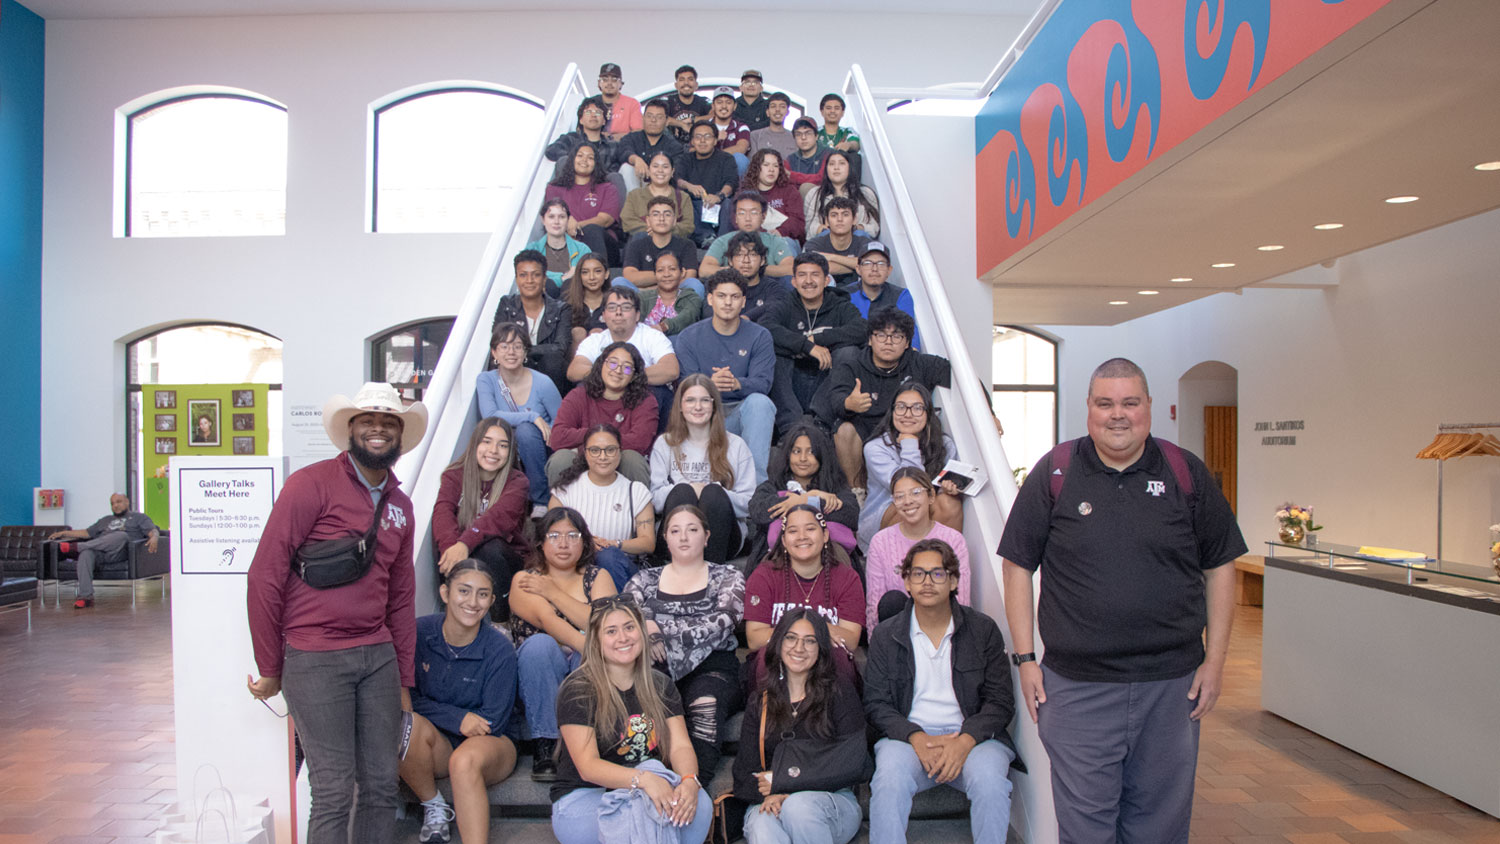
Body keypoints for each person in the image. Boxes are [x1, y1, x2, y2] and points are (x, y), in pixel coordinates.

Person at [998, 357, 1246, 844]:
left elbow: (1220, 566)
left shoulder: (1184, 472)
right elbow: (1017, 566)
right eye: (1105, 403)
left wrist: (1215, 660)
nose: (1118, 414)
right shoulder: (1055, 473)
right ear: (1087, 408)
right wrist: (1026, 659)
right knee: (1086, 826)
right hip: (1076, 689)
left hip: (1172, 688)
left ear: (1149, 407)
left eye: (1130, 403)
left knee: (1159, 824)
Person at [247, 382, 427, 844]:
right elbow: (264, 576)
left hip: (379, 657)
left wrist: (404, 678)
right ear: (350, 428)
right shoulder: (310, 485)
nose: (378, 429)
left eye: (389, 422)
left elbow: (401, 598)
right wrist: (270, 667)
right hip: (314, 657)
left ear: (400, 435)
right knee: (332, 789)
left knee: (383, 785)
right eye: (368, 419)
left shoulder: (401, 507)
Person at [864, 538, 1019, 844]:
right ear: (906, 581)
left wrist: (965, 740)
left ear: (953, 580)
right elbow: (875, 703)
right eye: (918, 574)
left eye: (937, 574)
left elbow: (1000, 702)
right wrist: (916, 736)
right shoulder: (886, 634)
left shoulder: (983, 629)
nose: (927, 582)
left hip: (973, 740)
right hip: (907, 739)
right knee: (888, 780)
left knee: (991, 784)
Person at [549, 595, 711, 844]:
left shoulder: (660, 684)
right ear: (596, 640)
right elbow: (587, 766)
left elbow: (680, 745)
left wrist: (690, 781)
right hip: (585, 797)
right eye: (611, 631)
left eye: (629, 627)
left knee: (700, 805)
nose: (623, 638)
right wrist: (643, 781)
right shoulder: (579, 689)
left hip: (646, 787)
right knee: (643, 810)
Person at [623, 505, 746, 776]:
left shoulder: (728, 576)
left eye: (692, 529)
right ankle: (646, 783)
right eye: (675, 530)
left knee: (706, 702)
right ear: (665, 537)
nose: (683, 537)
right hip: (654, 668)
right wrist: (645, 631)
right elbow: (628, 621)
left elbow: (724, 620)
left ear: (706, 536)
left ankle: (695, 786)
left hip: (715, 668)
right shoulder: (644, 579)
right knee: (644, 700)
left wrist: (657, 631)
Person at [401, 561, 518, 844]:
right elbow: (408, 698)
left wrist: (459, 721)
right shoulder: (419, 632)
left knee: (464, 761)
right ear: (445, 592)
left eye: (482, 594)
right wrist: (456, 718)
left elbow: (493, 720)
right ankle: (434, 805)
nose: (472, 602)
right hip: (437, 742)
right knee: (403, 724)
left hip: (493, 742)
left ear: (491, 601)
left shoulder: (500, 648)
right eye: (463, 591)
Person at [733, 610, 868, 844]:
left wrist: (788, 783)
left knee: (798, 806)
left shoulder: (839, 691)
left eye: (810, 641)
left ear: (821, 648)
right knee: (763, 823)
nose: (799, 648)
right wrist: (776, 794)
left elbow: (856, 761)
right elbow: (744, 776)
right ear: (779, 642)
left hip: (833, 800)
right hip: (770, 801)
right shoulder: (760, 701)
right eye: (791, 638)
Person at [508, 507, 617, 780]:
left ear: (585, 542)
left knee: (588, 655)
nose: (564, 543)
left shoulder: (598, 577)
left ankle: (584, 743)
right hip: (540, 679)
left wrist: (552, 592)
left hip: (588, 669)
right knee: (540, 646)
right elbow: (547, 620)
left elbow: (603, 622)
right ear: (541, 543)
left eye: (572, 535)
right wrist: (593, 646)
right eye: (554, 535)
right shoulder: (524, 579)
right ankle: (545, 743)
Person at [820, 307, 950, 486]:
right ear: (870, 340)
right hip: (866, 426)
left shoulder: (920, 363)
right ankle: (856, 491)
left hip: (905, 425)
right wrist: (849, 403)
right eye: (881, 335)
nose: (888, 342)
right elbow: (836, 399)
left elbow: (962, 377)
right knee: (844, 429)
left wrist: (989, 413)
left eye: (896, 337)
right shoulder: (851, 366)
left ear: (906, 343)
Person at [671, 270, 776, 483]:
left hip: (741, 410)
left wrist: (737, 383)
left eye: (734, 297)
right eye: (721, 296)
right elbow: (684, 385)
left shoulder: (759, 335)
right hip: (704, 412)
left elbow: (763, 383)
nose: (728, 302)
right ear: (710, 299)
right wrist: (708, 386)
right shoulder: (689, 337)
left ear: (744, 301)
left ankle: (756, 492)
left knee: (760, 403)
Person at [742, 506, 864, 689]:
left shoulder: (847, 578)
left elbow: (851, 640)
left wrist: (788, 635)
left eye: (810, 529)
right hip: (776, 669)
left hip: (827, 667)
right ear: (783, 540)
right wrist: (818, 630)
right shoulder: (764, 576)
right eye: (792, 531)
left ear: (825, 536)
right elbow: (754, 638)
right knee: (765, 657)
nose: (802, 536)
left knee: (839, 657)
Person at [649, 376, 756, 564]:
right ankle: (678, 567)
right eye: (690, 400)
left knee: (713, 493)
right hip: (673, 535)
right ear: (680, 406)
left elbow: (749, 504)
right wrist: (690, 487)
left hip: (725, 535)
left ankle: (712, 572)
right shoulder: (665, 443)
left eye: (705, 400)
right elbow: (656, 501)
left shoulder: (736, 445)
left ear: (714, 405)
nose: (697, 407)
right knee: (683, 491)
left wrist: (711, 490)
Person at [433, 417, 529, 620]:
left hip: (504, 560)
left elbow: (498, 519)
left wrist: (464, 545)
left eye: (503, 445)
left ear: (510, 452)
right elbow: (443, 512)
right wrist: (452, 548)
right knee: (446, 553)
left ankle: (501, 620)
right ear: (475, 443)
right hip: (463, 555)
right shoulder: (454, 476)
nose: (493, 450)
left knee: (489, 549)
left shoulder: (517, 482)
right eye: (486, 441)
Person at [765, 254, 867, 432]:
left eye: (815, 275)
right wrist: (807, 346)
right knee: (772, 352)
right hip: (791, 381)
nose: (809, 281)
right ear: (794, 281)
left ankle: (822, 423)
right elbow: (766, 328)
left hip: (826, 382)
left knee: (849, 352)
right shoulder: (784, 304)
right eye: (802, 275)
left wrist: (818, 339)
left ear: (827, 280)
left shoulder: (840, 305)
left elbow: (861, 330)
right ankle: (791, 428)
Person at [549, 425, 654, 590]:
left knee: (608, 556)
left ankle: (617, 610)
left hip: (620, 567)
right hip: (574, 565)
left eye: (610, 450)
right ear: (585, 452)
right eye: (595, 450)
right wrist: (584, 543)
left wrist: (614, 544)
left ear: (620, 451)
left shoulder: (636, 490)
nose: (603, 457)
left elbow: (648, 543)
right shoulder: (564, 490)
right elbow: (550, 537)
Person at [864, 467, 970, 630]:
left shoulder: (953, 540)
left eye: (915, 492)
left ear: (931, 496)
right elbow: (875, 605)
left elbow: (960, 600)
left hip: (941, 628)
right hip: (898, 636)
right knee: (892, 601)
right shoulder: (881, 541)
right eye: (900, 496)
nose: (908, 501)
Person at [861, 383, 962, 548]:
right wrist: (909, 443)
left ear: (928, 413)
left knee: (950, 502)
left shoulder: (944, 444)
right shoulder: (876, 447)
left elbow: (943, 484)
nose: (908, 414)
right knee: (909, 499)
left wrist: (949, 488)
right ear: (892, 411)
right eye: (901, 407)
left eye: (917, 408)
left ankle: (947, 563)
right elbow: (906, 486)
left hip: (928, 510)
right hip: (887, 513)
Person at [746, 421, 859, 565]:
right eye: (796, 451)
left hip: (830, 556)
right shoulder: (772, 486)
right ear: (788, 455)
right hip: (779, 556)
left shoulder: (834, 487)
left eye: (811, 452)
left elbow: (851, 514)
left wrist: (806, 501)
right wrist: (810, 502)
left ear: (821, 455)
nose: (803, 458)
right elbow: (758, 511)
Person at [477, 322, 562, 510]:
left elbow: (561, 420)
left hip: (540, 447)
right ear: (494, 353)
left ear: (525, 352)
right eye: (504, 346)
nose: (511, 352)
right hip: (505, 445)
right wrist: (532, 417)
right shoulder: (486, 380)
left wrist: (542, 430)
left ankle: (540, 501)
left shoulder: (543, 382)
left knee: (525, 431)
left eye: (517, 346)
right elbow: (490, 415)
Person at [548, 342, 657, 486]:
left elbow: (640, 442)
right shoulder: (578, 395)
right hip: (584, 458)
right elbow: (557, 438)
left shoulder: (645, 400)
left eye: (627, 368)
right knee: (561, 458)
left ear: (634, 375)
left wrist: (602, 443)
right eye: (612, 363)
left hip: (619, 460)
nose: (618, 371)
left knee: (632, 458)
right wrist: (595, 438)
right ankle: (562, 508)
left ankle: (636, 508)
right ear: (601, 365)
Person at [49, 493, 159, 609]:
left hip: (120, 552)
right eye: (112, 503)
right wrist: (63, 533)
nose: (115, 505)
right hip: (101, 551)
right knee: (86, 553)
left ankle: (77, 547)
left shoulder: (139, 517)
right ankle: (85, 597)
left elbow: (153, 531)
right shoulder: (105, 520)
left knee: (121, 535)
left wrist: (155, 537)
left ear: (127, 502)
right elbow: (86, 533)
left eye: (119, 502)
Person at [492, 249, 574, 394]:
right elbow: (499, 340)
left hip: (549, 372)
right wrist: (523, 354)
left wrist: (522, 351)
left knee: (553, 360)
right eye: (523, 275)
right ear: (516, 279)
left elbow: (560, 347)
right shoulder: (506, 304)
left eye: (535, 275)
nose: (529, 281)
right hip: (513, 368)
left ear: (544, 278)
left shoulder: (561, 309)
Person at [566, 286, 679, 388]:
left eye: (625, 307)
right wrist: (611, 375)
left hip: (642, 394)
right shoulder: (595, 340)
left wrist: (626, 375)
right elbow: (574, 371)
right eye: (612, 307)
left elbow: (671, 369)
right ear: (604, 316)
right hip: (605, 396)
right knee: (583, 387)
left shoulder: (653, 337)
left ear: (637, 315)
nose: (618, 312)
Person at [544, 141, 622, 260]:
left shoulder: (607, 188)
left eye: (590, 158)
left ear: (596, 164)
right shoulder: (555, 188)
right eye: (580, 156)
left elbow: (605, 220)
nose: (584, 160)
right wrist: (567, 223)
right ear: (572, 160)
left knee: (592, 229)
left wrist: (576, 226)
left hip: (604, 245)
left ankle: (596, 272)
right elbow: (552, 216)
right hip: (566, 240)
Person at [842, 241, 921, 349]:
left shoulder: (900, 295)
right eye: (868, 263)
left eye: (881, 264)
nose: (874, 269)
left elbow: (911, 333)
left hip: (888, 355)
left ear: (889, 270)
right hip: (853, 356)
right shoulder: (844, 294)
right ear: (858, 269)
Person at [698, 191, 795, 278]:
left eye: (753, 213)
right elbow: (704, 270)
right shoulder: (723, 241)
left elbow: (790, 268)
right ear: (736, 217)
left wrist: (756, 269)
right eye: (742, 213)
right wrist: (735, 271)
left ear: (763, 216)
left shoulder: (775, 241)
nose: (747, 218)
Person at [674, 122, 738, 247]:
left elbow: (731, 182)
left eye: (707, 137)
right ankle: (706, 237)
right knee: (683, 200)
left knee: (728, 203)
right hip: (695, 205)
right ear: (692, 141)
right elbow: (677, 179)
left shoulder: (726, 159)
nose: (702, 141)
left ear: (715, 140)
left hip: (717, 203)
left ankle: (723, 242)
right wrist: (689, 186)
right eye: (698, 137)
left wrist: (718, 196)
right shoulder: (685, 159)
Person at [620, 195, 700, 291]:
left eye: (667, 214)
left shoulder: (687, 245)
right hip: (642, 297)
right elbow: (630, 276)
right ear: (648, 221)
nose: (661, 218)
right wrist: (670, 275)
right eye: (656, 214)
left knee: (694, 284)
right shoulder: (636, 245)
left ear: (674, 221)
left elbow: (689, 276)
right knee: (619, 282)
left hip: (675, 296)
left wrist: (648, 287)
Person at [804, 152, 879, 239]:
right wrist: (824, 229)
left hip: (858, 241)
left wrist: (858, 228)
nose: (836, 168)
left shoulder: (866, 193)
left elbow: (875, 228)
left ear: (850, 167)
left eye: (841, 163)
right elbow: (809, 229)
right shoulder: (814, 194)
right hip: (825, 242)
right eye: (831, 164)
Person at [545, 96, 618, 185]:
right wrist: (578, 163)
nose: (593, 115)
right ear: (581, 120)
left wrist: (592, 170)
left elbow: (613, 170)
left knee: (615, 177)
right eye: (588, 112)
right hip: (572, 187)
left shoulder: (612, 146)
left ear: (604, 121)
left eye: (598, 112)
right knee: (564, 160)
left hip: (598, 190)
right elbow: (552, 150)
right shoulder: (571, 138)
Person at [620, 153, 694, 240]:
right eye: (655, 166)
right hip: (642, 241)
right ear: (648, 170)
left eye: (665, 167)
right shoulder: (635, 195)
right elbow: (627, 221)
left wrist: (666, 230)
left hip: (673, 242)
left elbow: (689, 226)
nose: (660, 170)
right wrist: (653, 230)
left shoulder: (683, 197)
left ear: (672, 171)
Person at [617, 100, 685, 193]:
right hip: (634, 187)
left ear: (666, 121)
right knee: (626, 168)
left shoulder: (674, 147)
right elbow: (623, 151)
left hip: (661, 190)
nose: (653, 120)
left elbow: (675, 172)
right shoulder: (632, 138)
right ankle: (634, 205)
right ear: (643, 118)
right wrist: (636, 160)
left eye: (659, 117)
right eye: (649, 116)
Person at [739, 149, 805, 243]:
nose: (771, 170)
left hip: (784, 239)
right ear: (757, 168)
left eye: (776, 166)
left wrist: (780, 231)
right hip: (754, 239)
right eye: (766, 165)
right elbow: (738, 220)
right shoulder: (745, 193)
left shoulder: (790, 191)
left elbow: (797, 222)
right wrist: (763, 234)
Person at [723, 232, 789, 324]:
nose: (746, 261)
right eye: (740, 255)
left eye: (752, 255)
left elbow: (774, 305)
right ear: (730, 260)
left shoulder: (773, 288)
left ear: (762, 260)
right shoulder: (718, 287)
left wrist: (747, 317)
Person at [525, 198, 588, 295]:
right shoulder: (532, 250)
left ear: (568, 220)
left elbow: (588, 279)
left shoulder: (582, 250)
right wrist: (564, 277)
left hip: (574, 302)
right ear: (543, 220)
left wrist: (546, 275)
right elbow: (531, 279)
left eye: (562, 217)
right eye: (551, 217)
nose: (556, 221)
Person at [801, 196, 868, 283]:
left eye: (845, 214)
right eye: (834, 215)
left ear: (854, 220)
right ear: (827, 221)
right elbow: (814, 269)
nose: (840, 219)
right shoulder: (814, 244)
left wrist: (831, 257)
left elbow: (869, 265)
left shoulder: (864, 243)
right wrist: (857, 267)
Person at [637, 253, 702, 336]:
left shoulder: (691, 297)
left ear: (682, 272)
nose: (666, 274)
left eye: (672, 269)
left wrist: (663, 326)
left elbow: (688, 316)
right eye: (660, 270)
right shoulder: (643, 298)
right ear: (655, 275)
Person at [562, 252, 610, 345]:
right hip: (573, 355)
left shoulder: (614, 302)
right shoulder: (566, 303)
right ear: (579, 276)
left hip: (607, 354)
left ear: (606, 274)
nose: (592, 277)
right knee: (578, 332)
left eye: (597, 271)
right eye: (585, 272)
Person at [707, 86, 752, 179]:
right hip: (707, 171)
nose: (724, 106)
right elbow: (692, 151)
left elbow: (741, 148)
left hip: (732, 173)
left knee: (740, 159)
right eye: (719, 102)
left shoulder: (741, 127)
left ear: (734, 106)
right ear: (713, 106)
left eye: (728, 102)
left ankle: (738, 192)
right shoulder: (703, 127)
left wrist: (713, 154)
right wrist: (714, 139)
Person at [664, 64, 711, 144]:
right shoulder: (668, 101)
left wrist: (692, 120)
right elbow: (659, 117)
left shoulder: (703, 101)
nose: (686, 83)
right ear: (676, 85)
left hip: (699, 147)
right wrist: (682, 124)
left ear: (696, 85)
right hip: (673, 148)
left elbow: (715, 115)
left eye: (690, 79)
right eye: (682, 79)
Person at [596, 63, 642, 141]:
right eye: (605, 79)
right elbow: (581, 131)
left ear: (621, 84)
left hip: (623, 147)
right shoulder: (591, 103)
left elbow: (638, 133)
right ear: (599, 83)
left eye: (614, 80)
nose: (609, 83)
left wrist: (610, 138)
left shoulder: (631, 104)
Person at [748, 92, 796, 159]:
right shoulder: (755, 136)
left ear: (787, 112)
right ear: (767, 112)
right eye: (773, 106)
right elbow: (753, 165)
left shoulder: (795, 138)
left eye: (782, 107)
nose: (777, 110)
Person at [785, 118, 828, 191]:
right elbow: (784, 179)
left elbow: (822, 178)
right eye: (798, 134)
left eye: (808, 133)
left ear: (816, 136)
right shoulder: (790, 159)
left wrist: (792, 176)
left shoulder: (828, 154)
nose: (803, 138)